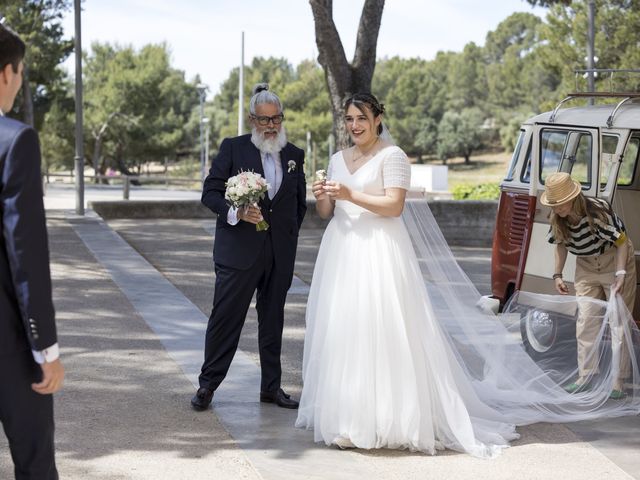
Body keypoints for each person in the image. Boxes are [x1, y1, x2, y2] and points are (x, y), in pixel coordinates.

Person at [295, 93, 640, 457]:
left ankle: (383, 418)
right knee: (345, 330)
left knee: (381, 330)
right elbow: (325, 212)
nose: (354, 126)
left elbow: (394, 207)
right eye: (349, 119)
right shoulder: (336, 159)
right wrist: (326, 196)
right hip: (342, 251)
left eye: (361, 118)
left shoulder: (392, 157)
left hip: (379, 250)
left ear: (378, 118)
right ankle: (346, 416)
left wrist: (351, 193)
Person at [191, 83, 306, 411]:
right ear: (251, 119)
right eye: (264, 120)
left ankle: (271, 387)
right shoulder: (233, 148)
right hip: (238, 253)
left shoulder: (295, 155)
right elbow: (210, 192)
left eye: (276, 119)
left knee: (273, 321)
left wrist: (287, 238)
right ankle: (207, 386)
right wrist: (236, 212)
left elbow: (298, 205)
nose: (271, 126)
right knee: (225, 319)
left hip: (279, 255)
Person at [0, 23, 64, 479]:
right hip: (8, 344)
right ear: (7, 73)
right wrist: (46, 347)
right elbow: (27, 255)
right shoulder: (16, 140)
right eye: (21, 72)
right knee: (35, 463)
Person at [541, 172, 637, 399]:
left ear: (573, 198)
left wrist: (621, 273)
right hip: (586, 266)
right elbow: (561, 245)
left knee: (618, 321)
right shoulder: (557, 218)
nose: (557, 209)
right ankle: (586, 376)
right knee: (586, 320)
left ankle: (617, 382)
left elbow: (622, 241)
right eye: (553, 204)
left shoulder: (597, 211)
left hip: (614, 259)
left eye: (560, 204)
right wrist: (557, 274)